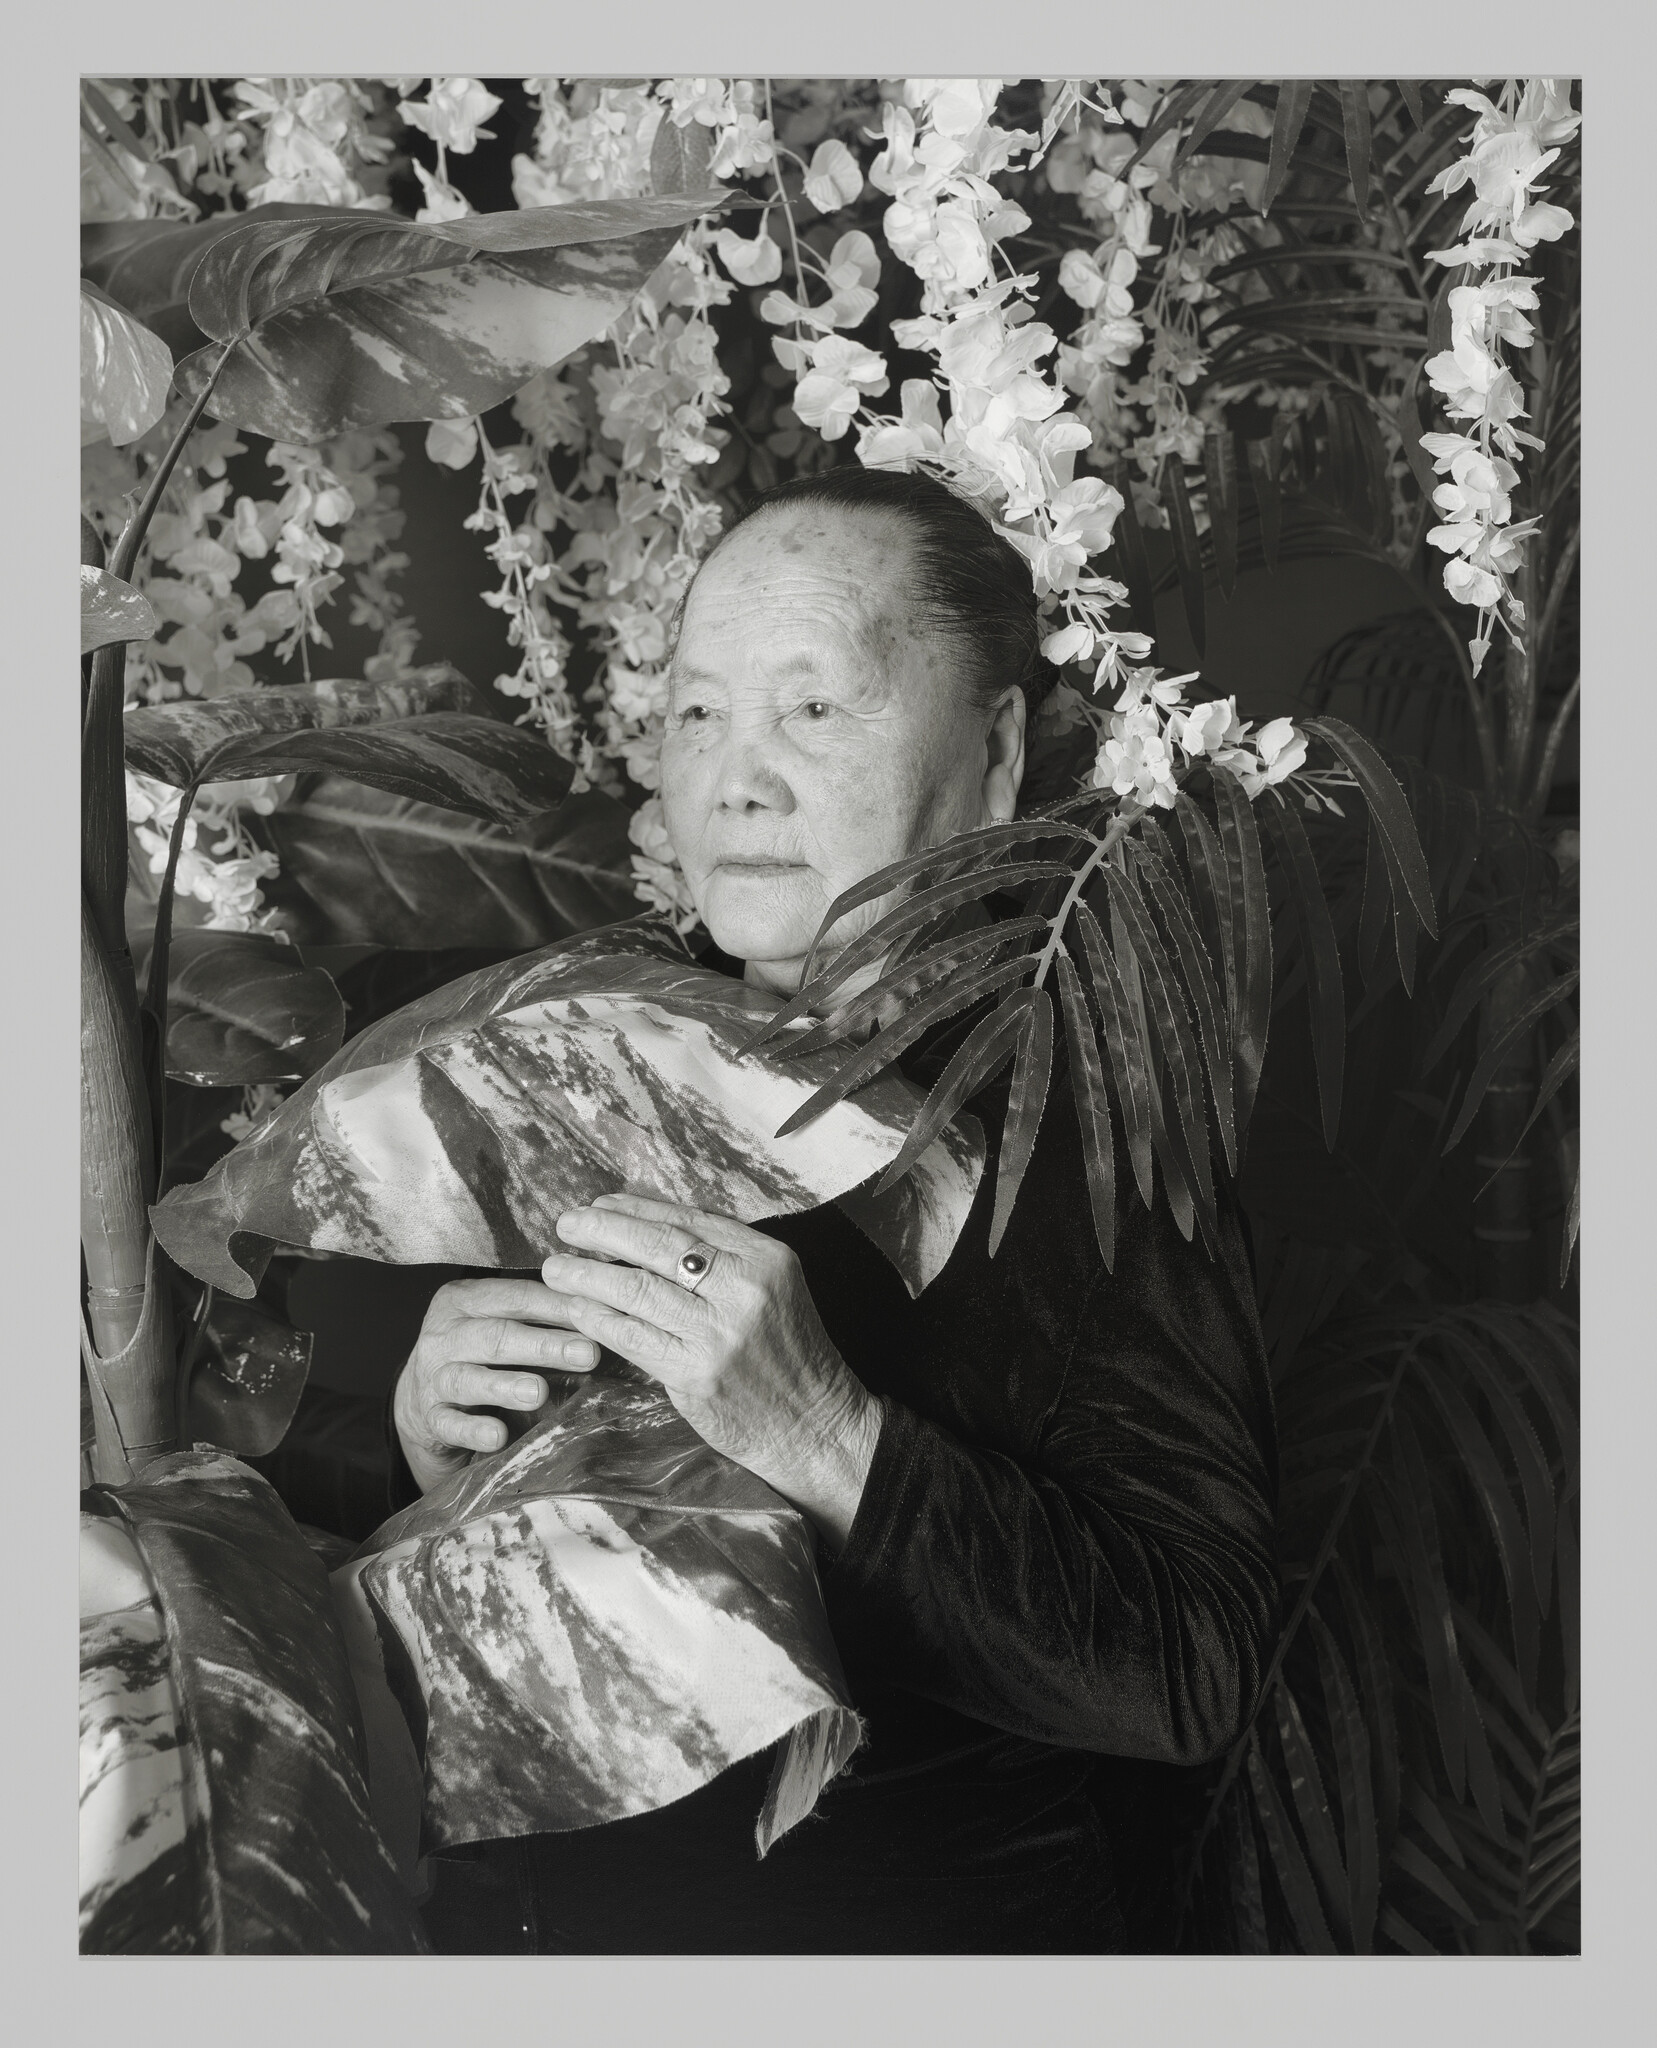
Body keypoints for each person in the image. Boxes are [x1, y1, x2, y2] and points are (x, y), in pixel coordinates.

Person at [386, 467, 1280, 1954]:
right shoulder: (584, 1053)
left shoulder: (1086, 1117)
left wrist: (822, 1436)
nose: (734, 776)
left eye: (813, 708)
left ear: (994, 752)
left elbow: (1189, 1669)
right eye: (694, 711)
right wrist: (442, 1450)